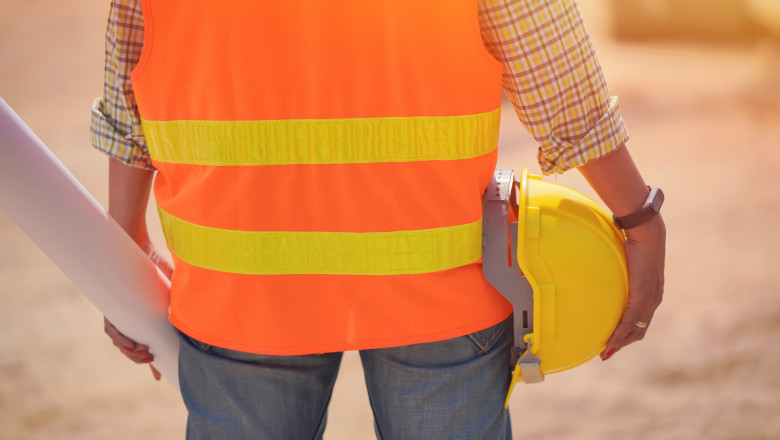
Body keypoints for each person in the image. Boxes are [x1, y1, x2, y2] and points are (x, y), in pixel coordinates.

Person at [93, 0, 666, 438]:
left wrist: (121, 250)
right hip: (438, 285)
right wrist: (636, 215)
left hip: (243, 291)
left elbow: (130, 82)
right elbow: (553, 71)